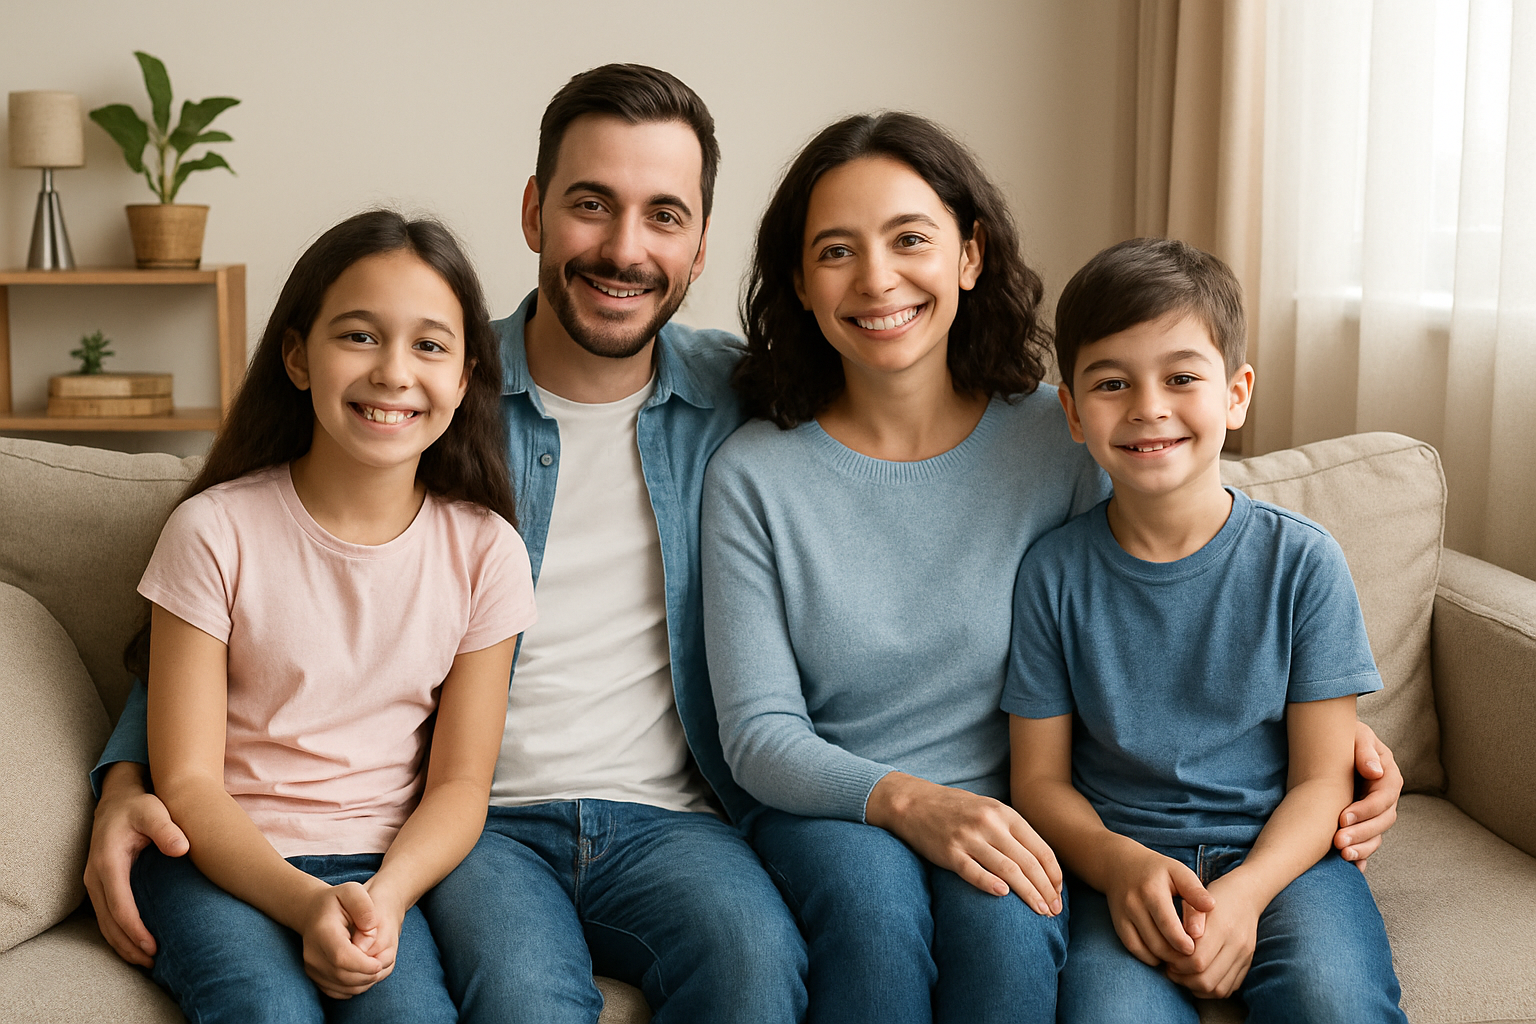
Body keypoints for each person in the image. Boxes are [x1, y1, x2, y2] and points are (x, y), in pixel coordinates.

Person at [85, 64, 806, 1024]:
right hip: (480, 824)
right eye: (591, 205)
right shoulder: (433, 395)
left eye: (664, 215)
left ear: (701, 244)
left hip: (664, 819)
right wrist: (126, 777)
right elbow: (268, 588)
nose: (625, 248)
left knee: (758, 970)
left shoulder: (741, 399)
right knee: (513, 996)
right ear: (534, 211)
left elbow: (898, 398)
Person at [700, 113, 1407, 1024]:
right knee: (874, 922)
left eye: (910, 238)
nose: (877, 277)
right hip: (851, 808)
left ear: (969, 253)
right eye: (836, 250)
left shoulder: (1065, 431)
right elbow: (757, 734)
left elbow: (1160, 587)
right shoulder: (754, 474)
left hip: (1028, 815)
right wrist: (915, 804)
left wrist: (1344, 743)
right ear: (799, 282)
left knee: (1011, 941)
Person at [122, 209, 536, 1022]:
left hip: (380, 866)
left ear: (465, 377)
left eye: (429, 345)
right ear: (296, 356)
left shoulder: (487, 552)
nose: (393, 372)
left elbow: (458, 786)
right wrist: (305, 903)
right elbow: (191, 781)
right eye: (358, 336)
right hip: (217, 855)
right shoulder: (214, 530)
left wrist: (385, 896)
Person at [1006, 238, 1407, 1023]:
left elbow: (1324, 778)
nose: (1149, 406)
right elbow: (1040, 782)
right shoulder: (1052, 575)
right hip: (1123, 866)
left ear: (1236, 393)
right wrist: (1118, 865)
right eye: (1113, 383)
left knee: (1335, 1003)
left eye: (1182, 377)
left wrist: (1248, 894)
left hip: (1288, 863)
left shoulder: (1303, 562)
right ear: (1072, 411)